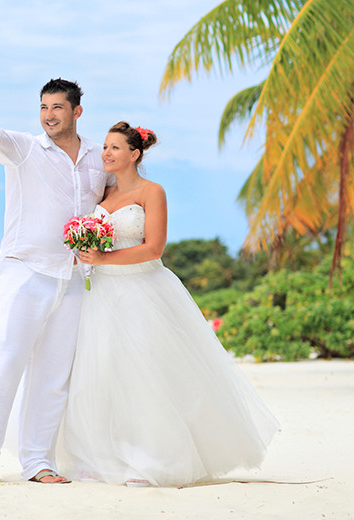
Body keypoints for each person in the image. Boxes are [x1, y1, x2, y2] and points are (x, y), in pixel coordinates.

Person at [61, 122, 280, 487]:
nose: (106, 154)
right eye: (105, 148)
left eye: (114, 148)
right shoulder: (102, 195)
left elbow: (153, 248)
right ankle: (99, 458)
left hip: (142, 290)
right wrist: (86, 255)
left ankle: (153, 460)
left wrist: (102, 260)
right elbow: (95, 246)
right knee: (99, 373)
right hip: (100, 294)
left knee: (145, 373)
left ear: (135, 154)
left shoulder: (152, 191)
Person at [0, 80, 114, 485]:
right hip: (26, 273)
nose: (49, 114)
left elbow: (117, 201)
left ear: (76, 112)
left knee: (53, 375)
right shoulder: (25, 148)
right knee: (1, 366)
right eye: (44, 107)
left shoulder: (100, 157)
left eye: (58, 107)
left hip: (76, 279)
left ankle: (38, 463)